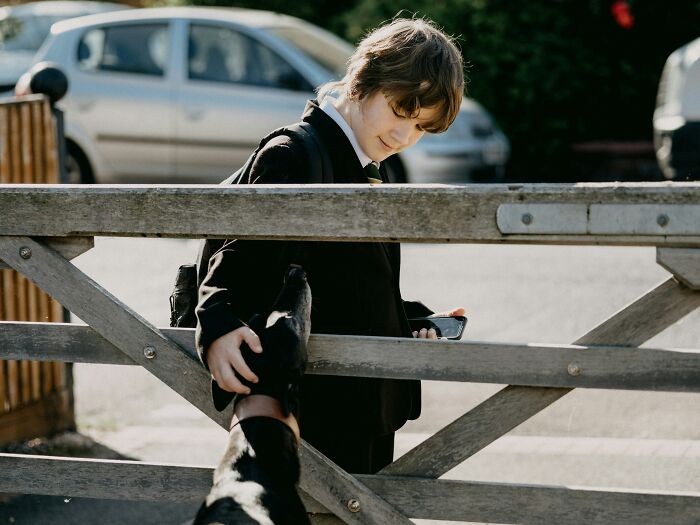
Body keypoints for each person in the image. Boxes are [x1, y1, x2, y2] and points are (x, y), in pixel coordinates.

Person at [196, 16, 466, 474]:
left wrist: (411, 319)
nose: (404, 137)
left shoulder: (360, 157)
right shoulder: (294, 154)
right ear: (363, 80)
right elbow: (237, 262)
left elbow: (347, 279)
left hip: (361, 397)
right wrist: (217, 320)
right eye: (401, 112)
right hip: (319, 404)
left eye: (420, 127)